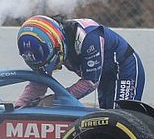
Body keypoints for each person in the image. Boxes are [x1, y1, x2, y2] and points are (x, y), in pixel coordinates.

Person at [14, 15, 145, 109]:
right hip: (103, 75)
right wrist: (18, 107)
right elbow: (39, 82)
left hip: (125, 68)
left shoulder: (88, 37)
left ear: (58, 46)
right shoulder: (49, 45)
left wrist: (56, 100)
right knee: (107, 115)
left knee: (121, 115)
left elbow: (90, 82)